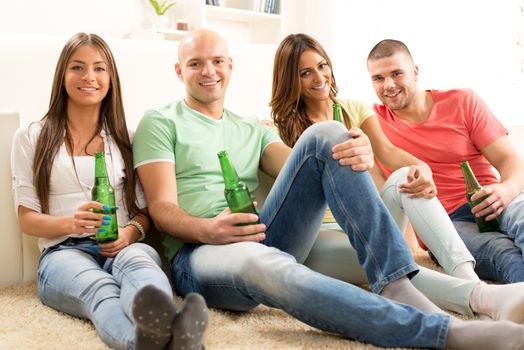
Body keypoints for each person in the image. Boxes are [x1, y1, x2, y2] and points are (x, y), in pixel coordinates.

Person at [132, 28, 524, 349]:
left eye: (217, 61)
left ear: (230, 66)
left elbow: (306, 164)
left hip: (265, 233)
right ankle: (444, 332)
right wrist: (208, 229)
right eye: (195, 64)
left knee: (329, 135)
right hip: (200, 253)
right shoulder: (161, 121)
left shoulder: (251, 128)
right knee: (265, 265)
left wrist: (355, 152)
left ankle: (396, 284)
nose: (209, 71)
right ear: (178, 71)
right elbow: (163, 209)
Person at [270, 32, 524, 320]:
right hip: (327, 232)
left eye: (322, 65)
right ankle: (483, 297)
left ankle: (470, 280)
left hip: (376, 218)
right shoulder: (276, 132)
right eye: (305, 73)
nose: (319, 77)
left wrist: (422, 168)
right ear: (291, 80)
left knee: (406, 177)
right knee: (398, 264)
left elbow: (388, 153)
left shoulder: (355, 109)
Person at [10, 32, 208, 350]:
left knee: (145, 274)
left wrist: (130, 233)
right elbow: (28, 219)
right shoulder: (31, 137)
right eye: (77, 67)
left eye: (100, 68)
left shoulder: (126, 137)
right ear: (62, 75)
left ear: (111, 79)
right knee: (101, 289)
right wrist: (71, 224)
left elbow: (145, 211)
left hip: (123, 246)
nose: (89, 76)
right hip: (63, 253)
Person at [366, 38, 524, 284]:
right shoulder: (371, 123)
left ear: (415, 72)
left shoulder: (463, 101)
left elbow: (509, 158)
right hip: (448, 222)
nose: (389, 85)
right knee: (504, 254)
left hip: (493, 197)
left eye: (397, 74)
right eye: (378, 78)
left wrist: (506, 190)